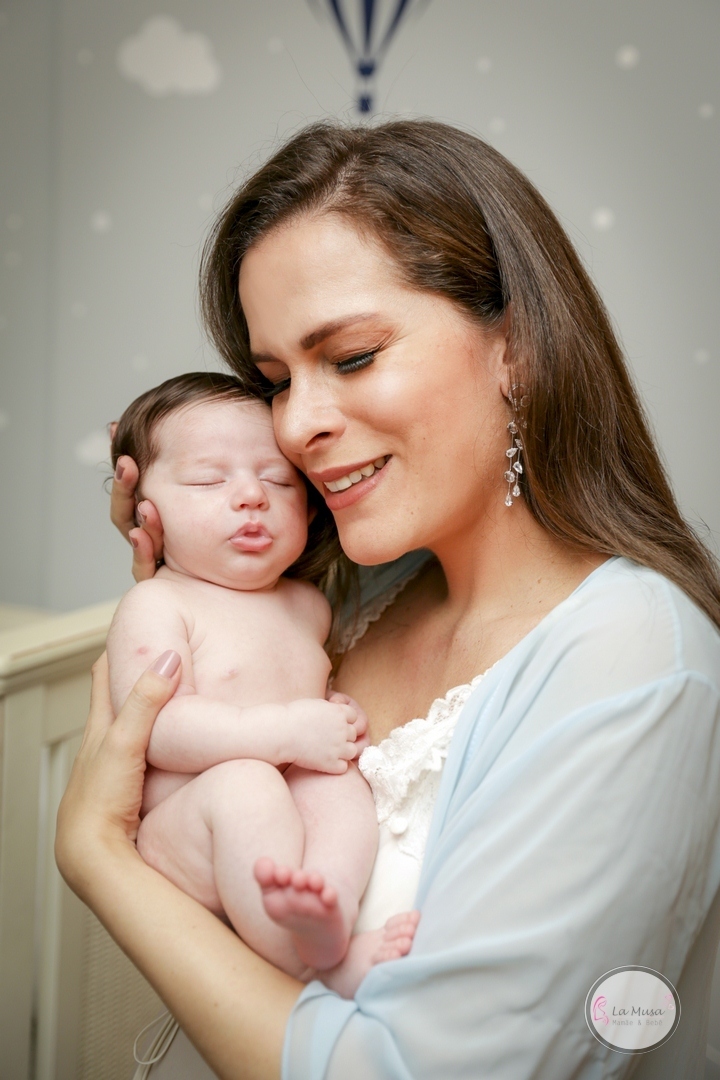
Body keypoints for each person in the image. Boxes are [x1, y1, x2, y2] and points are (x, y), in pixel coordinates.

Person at [55, 120, 720, 1079]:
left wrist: (98, 856)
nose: (299, 424)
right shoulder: (361, 598)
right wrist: (193, 573)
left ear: (517, 349)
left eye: (354, 357)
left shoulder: (633, 665)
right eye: (276, 380)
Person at [107, 372, 420, 998]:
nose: (251, 496)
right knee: (248, 781)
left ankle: (323, 903)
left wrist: (332, 712)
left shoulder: (309, 605)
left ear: (308, 507)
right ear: (148, 509)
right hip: (192, 826)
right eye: (208, 479)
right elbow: (158, 730)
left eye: (278, 481)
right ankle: (307, 961)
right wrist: (283, 731)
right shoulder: (159, 604)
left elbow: (304, 692)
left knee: (339, 783)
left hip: (278, 813)